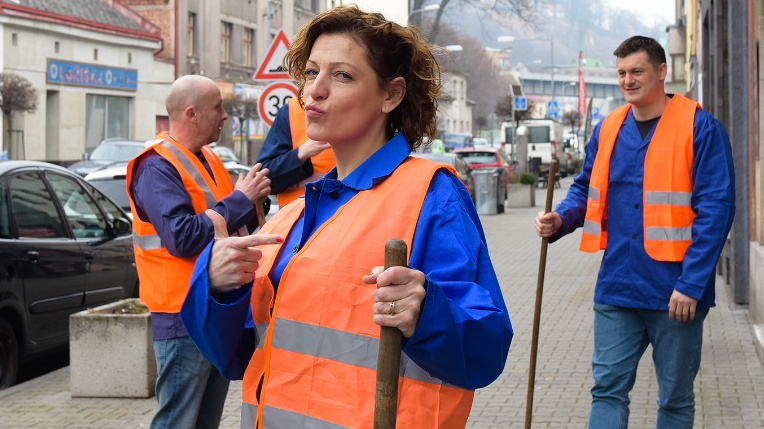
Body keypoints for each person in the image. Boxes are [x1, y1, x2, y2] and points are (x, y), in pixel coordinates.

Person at [181, 6, 513, 429]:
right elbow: (236, 356)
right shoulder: (294, 215)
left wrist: (428, 312)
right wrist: (216, 286)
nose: (314, 91)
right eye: (311, 72)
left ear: (391, 95)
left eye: (342, 76)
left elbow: (486, 350)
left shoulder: (432, 196)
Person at [534, 36, 735, 428]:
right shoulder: (609, 128)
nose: (628, 80)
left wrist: (692, 284)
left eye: (637, 71)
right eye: (622, 73)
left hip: (676, 293)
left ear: (661, 72)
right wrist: (561, 219)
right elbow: (584, 187)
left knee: (675, 400)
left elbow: (716, 209)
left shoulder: (699, 128)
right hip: (618, 287)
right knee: (607, 389)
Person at [126, 74, 274, 429]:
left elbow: (230, 226)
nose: (225, 116)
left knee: (203, 422)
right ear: (191, 114)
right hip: (181, 317)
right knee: (178, 421)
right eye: (218, 108)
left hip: (214, 310)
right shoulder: (155, 166)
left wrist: (253, 204)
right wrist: (241, 199)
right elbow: (181, 237)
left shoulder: (207, 159)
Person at [256, 97, 335, 207]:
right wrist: (301, 153)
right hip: (297, 218)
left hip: (351, 215)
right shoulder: (291, 110)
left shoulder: (362, 109)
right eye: (312, 78)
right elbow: (264, 179)